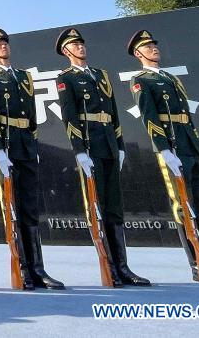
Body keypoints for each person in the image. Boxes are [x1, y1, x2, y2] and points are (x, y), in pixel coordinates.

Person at [127, 29, 199, 284]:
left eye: (154, 45)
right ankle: (196, 263)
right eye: (148, 47)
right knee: (183, 205)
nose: (154, 49)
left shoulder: (170, 78)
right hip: (172, 146)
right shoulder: (141, 80)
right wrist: (164, 149)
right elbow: (150, 117)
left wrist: (194, 142)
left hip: (190, 144)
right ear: (138, 54)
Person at [56, 28, 149, 286]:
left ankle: (123, 266)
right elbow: (69, 116)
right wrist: (79, 151)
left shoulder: (101, 75)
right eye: (75, 45)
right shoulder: (66, 78)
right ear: (66, 51)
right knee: (96, 207)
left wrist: (119, 145)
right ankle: (108, 266)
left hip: (108, 143)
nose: (81, 47)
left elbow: (113, 113)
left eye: (82, 43)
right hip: (89, 144)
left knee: (114, 207)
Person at [0, 28, 62, 290]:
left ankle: (38, 267)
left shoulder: (24, 77)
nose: (3, 46)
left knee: (29, 207)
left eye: (5, 42)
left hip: (25, 144)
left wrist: (33, 143)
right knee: (12, 208)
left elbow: (32, 115)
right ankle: (22, 267)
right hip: (5, 144)